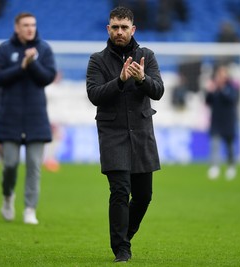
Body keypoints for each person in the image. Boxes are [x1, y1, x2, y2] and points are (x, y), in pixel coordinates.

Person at [86, 6, 164, 263]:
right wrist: (119, 80)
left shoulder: (147, 56)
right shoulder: (97, 60)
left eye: (124, 27)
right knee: (120, 191)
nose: (119, 32)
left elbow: (158, 91)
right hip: (112, 134)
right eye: (115, 27)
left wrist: (142, 79)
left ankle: (125, 237)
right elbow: (94, 95)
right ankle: (121, 249)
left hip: (141, 134)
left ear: (133, 29)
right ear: (108, 29)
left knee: (144, 196)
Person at [0, 12, 56, 225]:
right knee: (10, 164)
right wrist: (22, 66)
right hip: (9, 116)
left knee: (34, 165)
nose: (30, 28)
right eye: (26, 25)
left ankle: (30, 208)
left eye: (33, 25)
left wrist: (33, 63)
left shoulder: (44, 49)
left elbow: (47, 77)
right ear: (17, 27)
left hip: (36, 117)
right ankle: (8, 196)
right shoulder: (4, 49)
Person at [205, 64, 239, 180]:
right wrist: (210, 91)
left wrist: (222, 89)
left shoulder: (231, 87)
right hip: (216, 120)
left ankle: (231, 167)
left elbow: (232, 99)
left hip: (228, 121)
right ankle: (214, 167)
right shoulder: (214, 88)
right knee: (214, 144)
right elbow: (208, 101)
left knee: (229, 146)